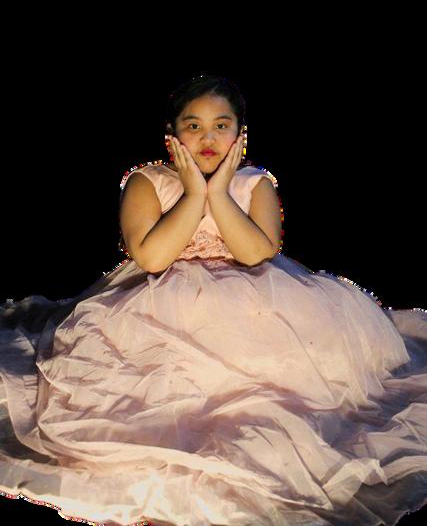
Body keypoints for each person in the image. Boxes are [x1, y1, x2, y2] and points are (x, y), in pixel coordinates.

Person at [0, 74, 426, 526]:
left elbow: (255, 253)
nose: (208, 139)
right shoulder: (147, 182)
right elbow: (153, 257)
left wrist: (219, 192)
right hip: (161, 301)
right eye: (194, 126)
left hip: (256, 302)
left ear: (240, 135)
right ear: (172, 136)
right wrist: (194, 194)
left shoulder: (254, 184)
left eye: (222, 126)